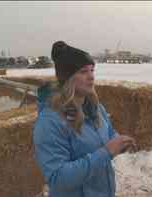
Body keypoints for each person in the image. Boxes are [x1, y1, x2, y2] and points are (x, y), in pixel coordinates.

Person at [33, 41, 136, 197]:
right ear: (67, 78)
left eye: (92, 70)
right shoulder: (50, 121)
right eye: (83, 71)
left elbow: (108, 133)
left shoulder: (95, 108)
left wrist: (119, 142)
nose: (91, 77)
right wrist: (107, 152)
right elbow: (58, 179)